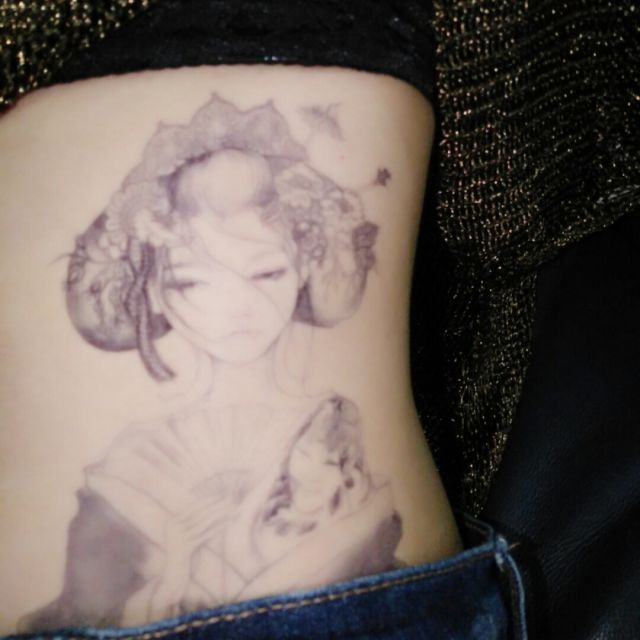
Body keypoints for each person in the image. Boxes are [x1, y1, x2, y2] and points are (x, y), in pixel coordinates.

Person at [0, 1, 530, 638]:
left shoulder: (331, 436)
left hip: (380, 607)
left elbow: (511, 205)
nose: (239, 307)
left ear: (305, 268)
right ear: (154, 291)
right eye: (192, 280)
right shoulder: (131, 468)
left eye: (268, 274)